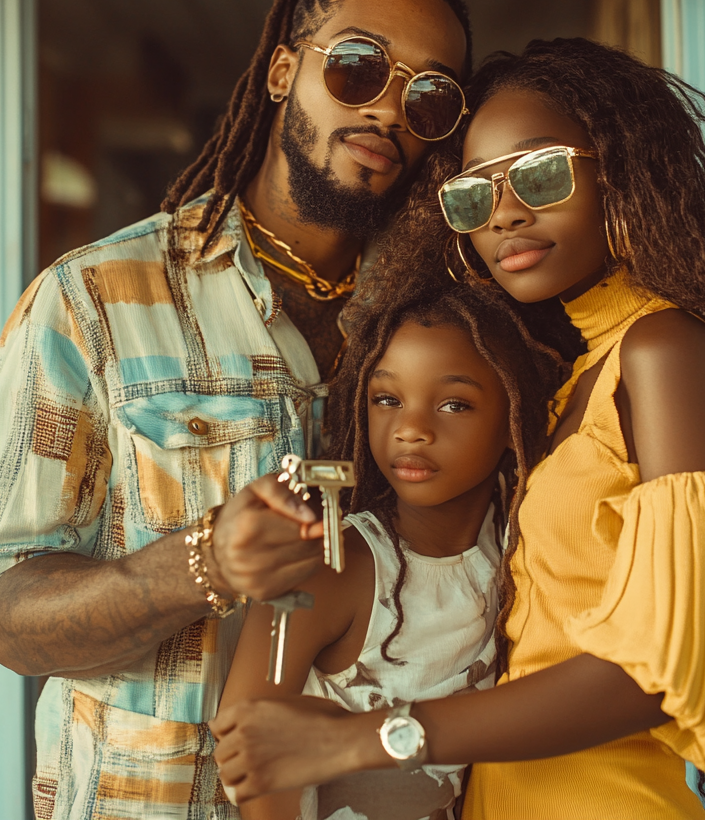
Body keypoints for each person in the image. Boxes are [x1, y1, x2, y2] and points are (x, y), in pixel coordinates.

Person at [0, 0, 501, 818]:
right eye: (358, 66)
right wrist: (196, 563)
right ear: (286, 68)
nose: (386, 108)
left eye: (426, 97)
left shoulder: (446, 323)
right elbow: (6, 617)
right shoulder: (96, 299)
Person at [211, 37, 705, 820]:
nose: (507, 214)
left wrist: (364, 738)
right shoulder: (572, 384)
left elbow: (659, 675)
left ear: (618, 170)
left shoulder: (664, 351)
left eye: (539, 173)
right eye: (475, 195)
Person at [213, 280, 563, 820]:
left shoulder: (521, 542)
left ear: (514, 416)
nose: (411, 430)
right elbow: (245, 752)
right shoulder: (333, 566)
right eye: (387, 399)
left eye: (453, 403)